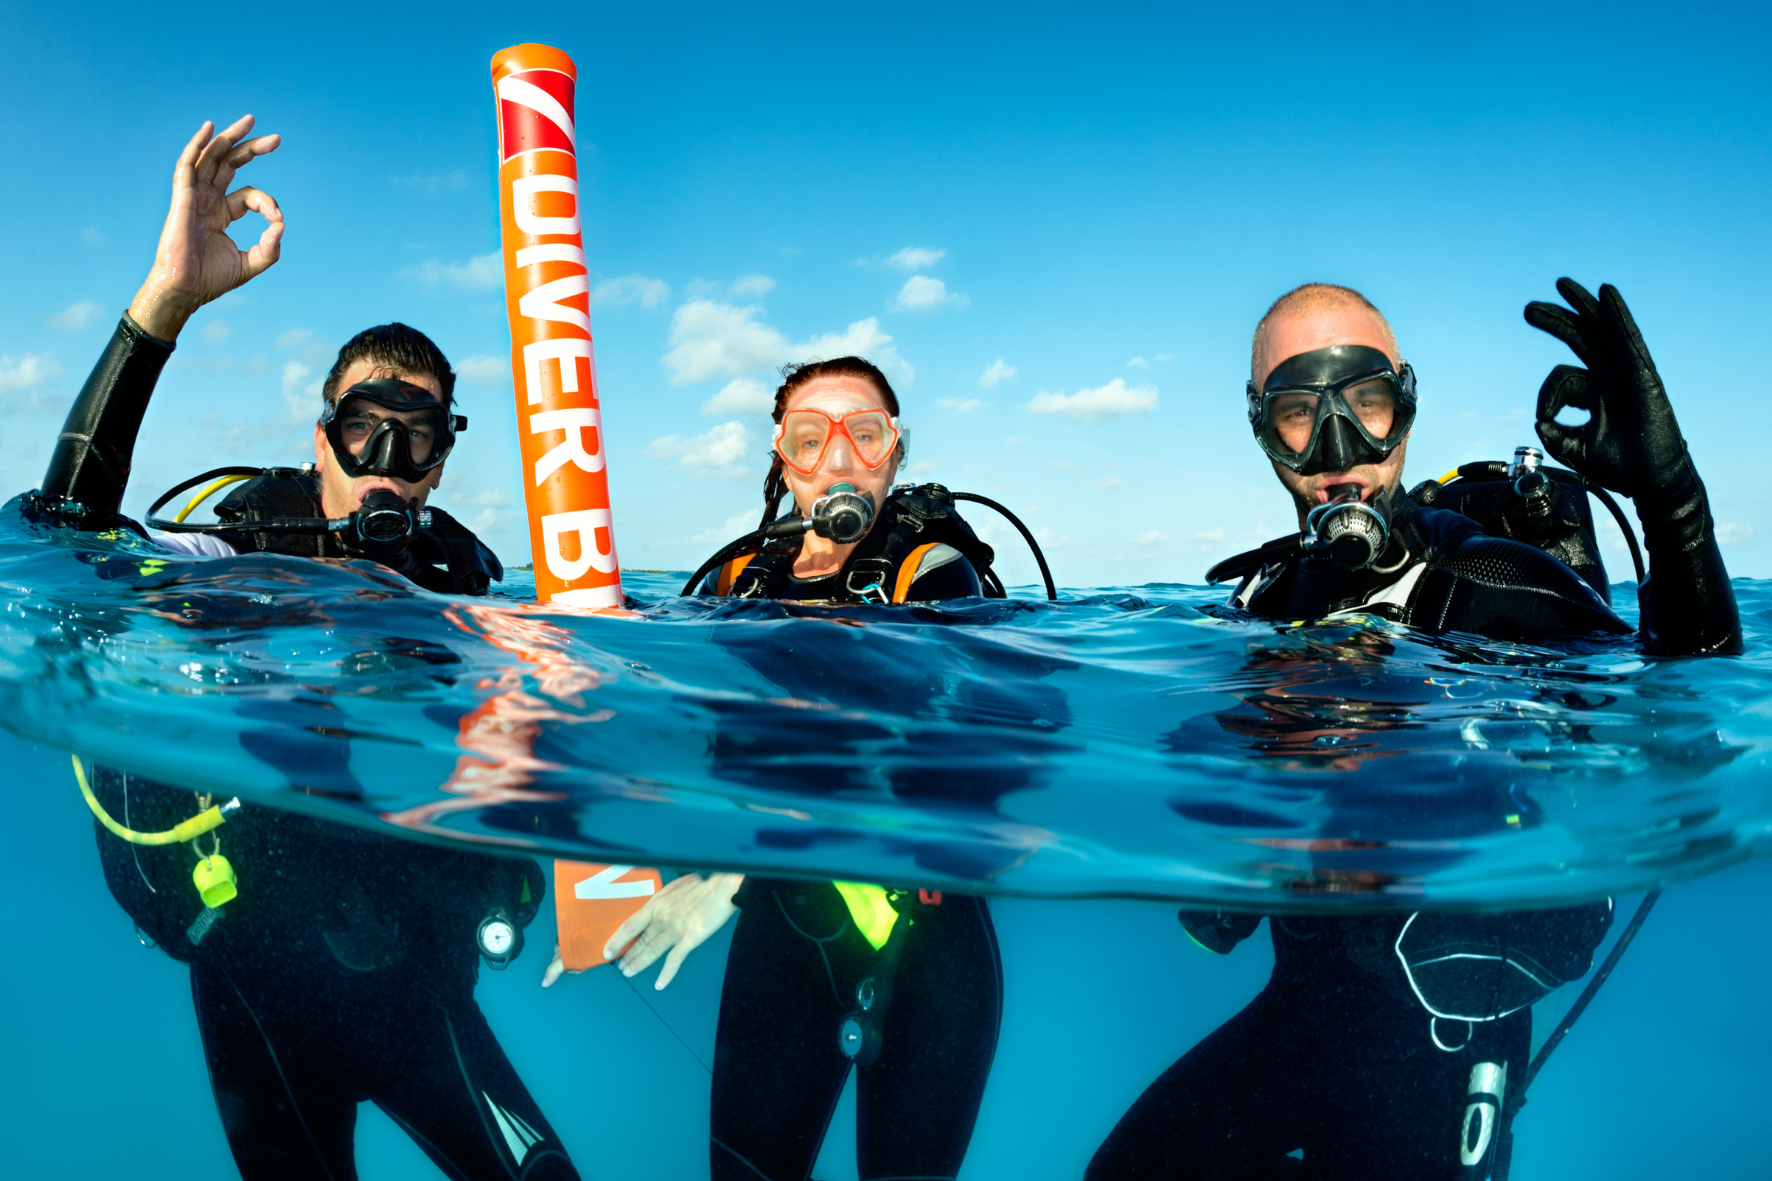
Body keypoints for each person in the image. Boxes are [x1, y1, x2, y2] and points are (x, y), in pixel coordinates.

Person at [1087, 281, 1741, 1180]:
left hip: (1448, 1034)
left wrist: (1673, 505)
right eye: (1297, 414)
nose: (1338, 448)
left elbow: (1686, 725)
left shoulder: (1499, 587)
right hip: (1299, 1021)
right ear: (1259, 430)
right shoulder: (1264, 607)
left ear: (1408, 404)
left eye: (1367, 402)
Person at [40, 116, 576, 1180]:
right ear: (319, 439)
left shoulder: (464, 585)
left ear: (439, 462)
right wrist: (162, 309)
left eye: (416, 439)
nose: (386, 462)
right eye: (362, 430)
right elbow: (63, 539)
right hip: (256, 974)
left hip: (417, 978)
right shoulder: (238, 543)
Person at [544, 357, 1015, 1181]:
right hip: (784, 936)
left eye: (864, 436)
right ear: (783, 460)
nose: (838, 460)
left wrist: (727, 874)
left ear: (896, 455)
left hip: (930, 946)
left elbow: (917, 741)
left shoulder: (933, 571)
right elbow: (672, 726)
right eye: (811, 438)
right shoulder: (737, 582)